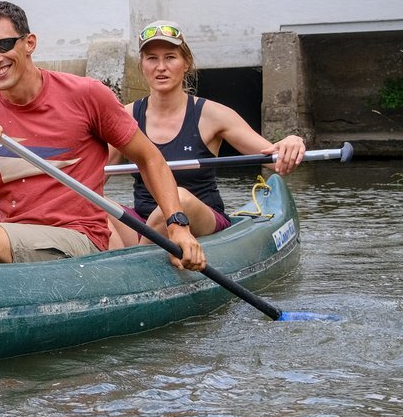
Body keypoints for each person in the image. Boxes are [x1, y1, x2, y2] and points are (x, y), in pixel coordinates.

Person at [0, 1, 206, 271]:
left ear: (29, 43)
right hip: (14, 236)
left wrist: (178, 227)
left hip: (78, 239)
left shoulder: (86, 94)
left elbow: (149, 158)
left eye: (4, 44)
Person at [107, 21, 307, 248]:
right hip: (143, 222)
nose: (160, 67)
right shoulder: (124, 116)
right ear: (142, 65)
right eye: (152, 58)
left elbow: (276, 161)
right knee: (89, 199)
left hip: (201, 218)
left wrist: (294, 140)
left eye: (170, 57)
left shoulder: (214, 115)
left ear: (186, 63)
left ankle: (137, 261)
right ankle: (117, 263)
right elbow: (91, 179)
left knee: (177, 199)